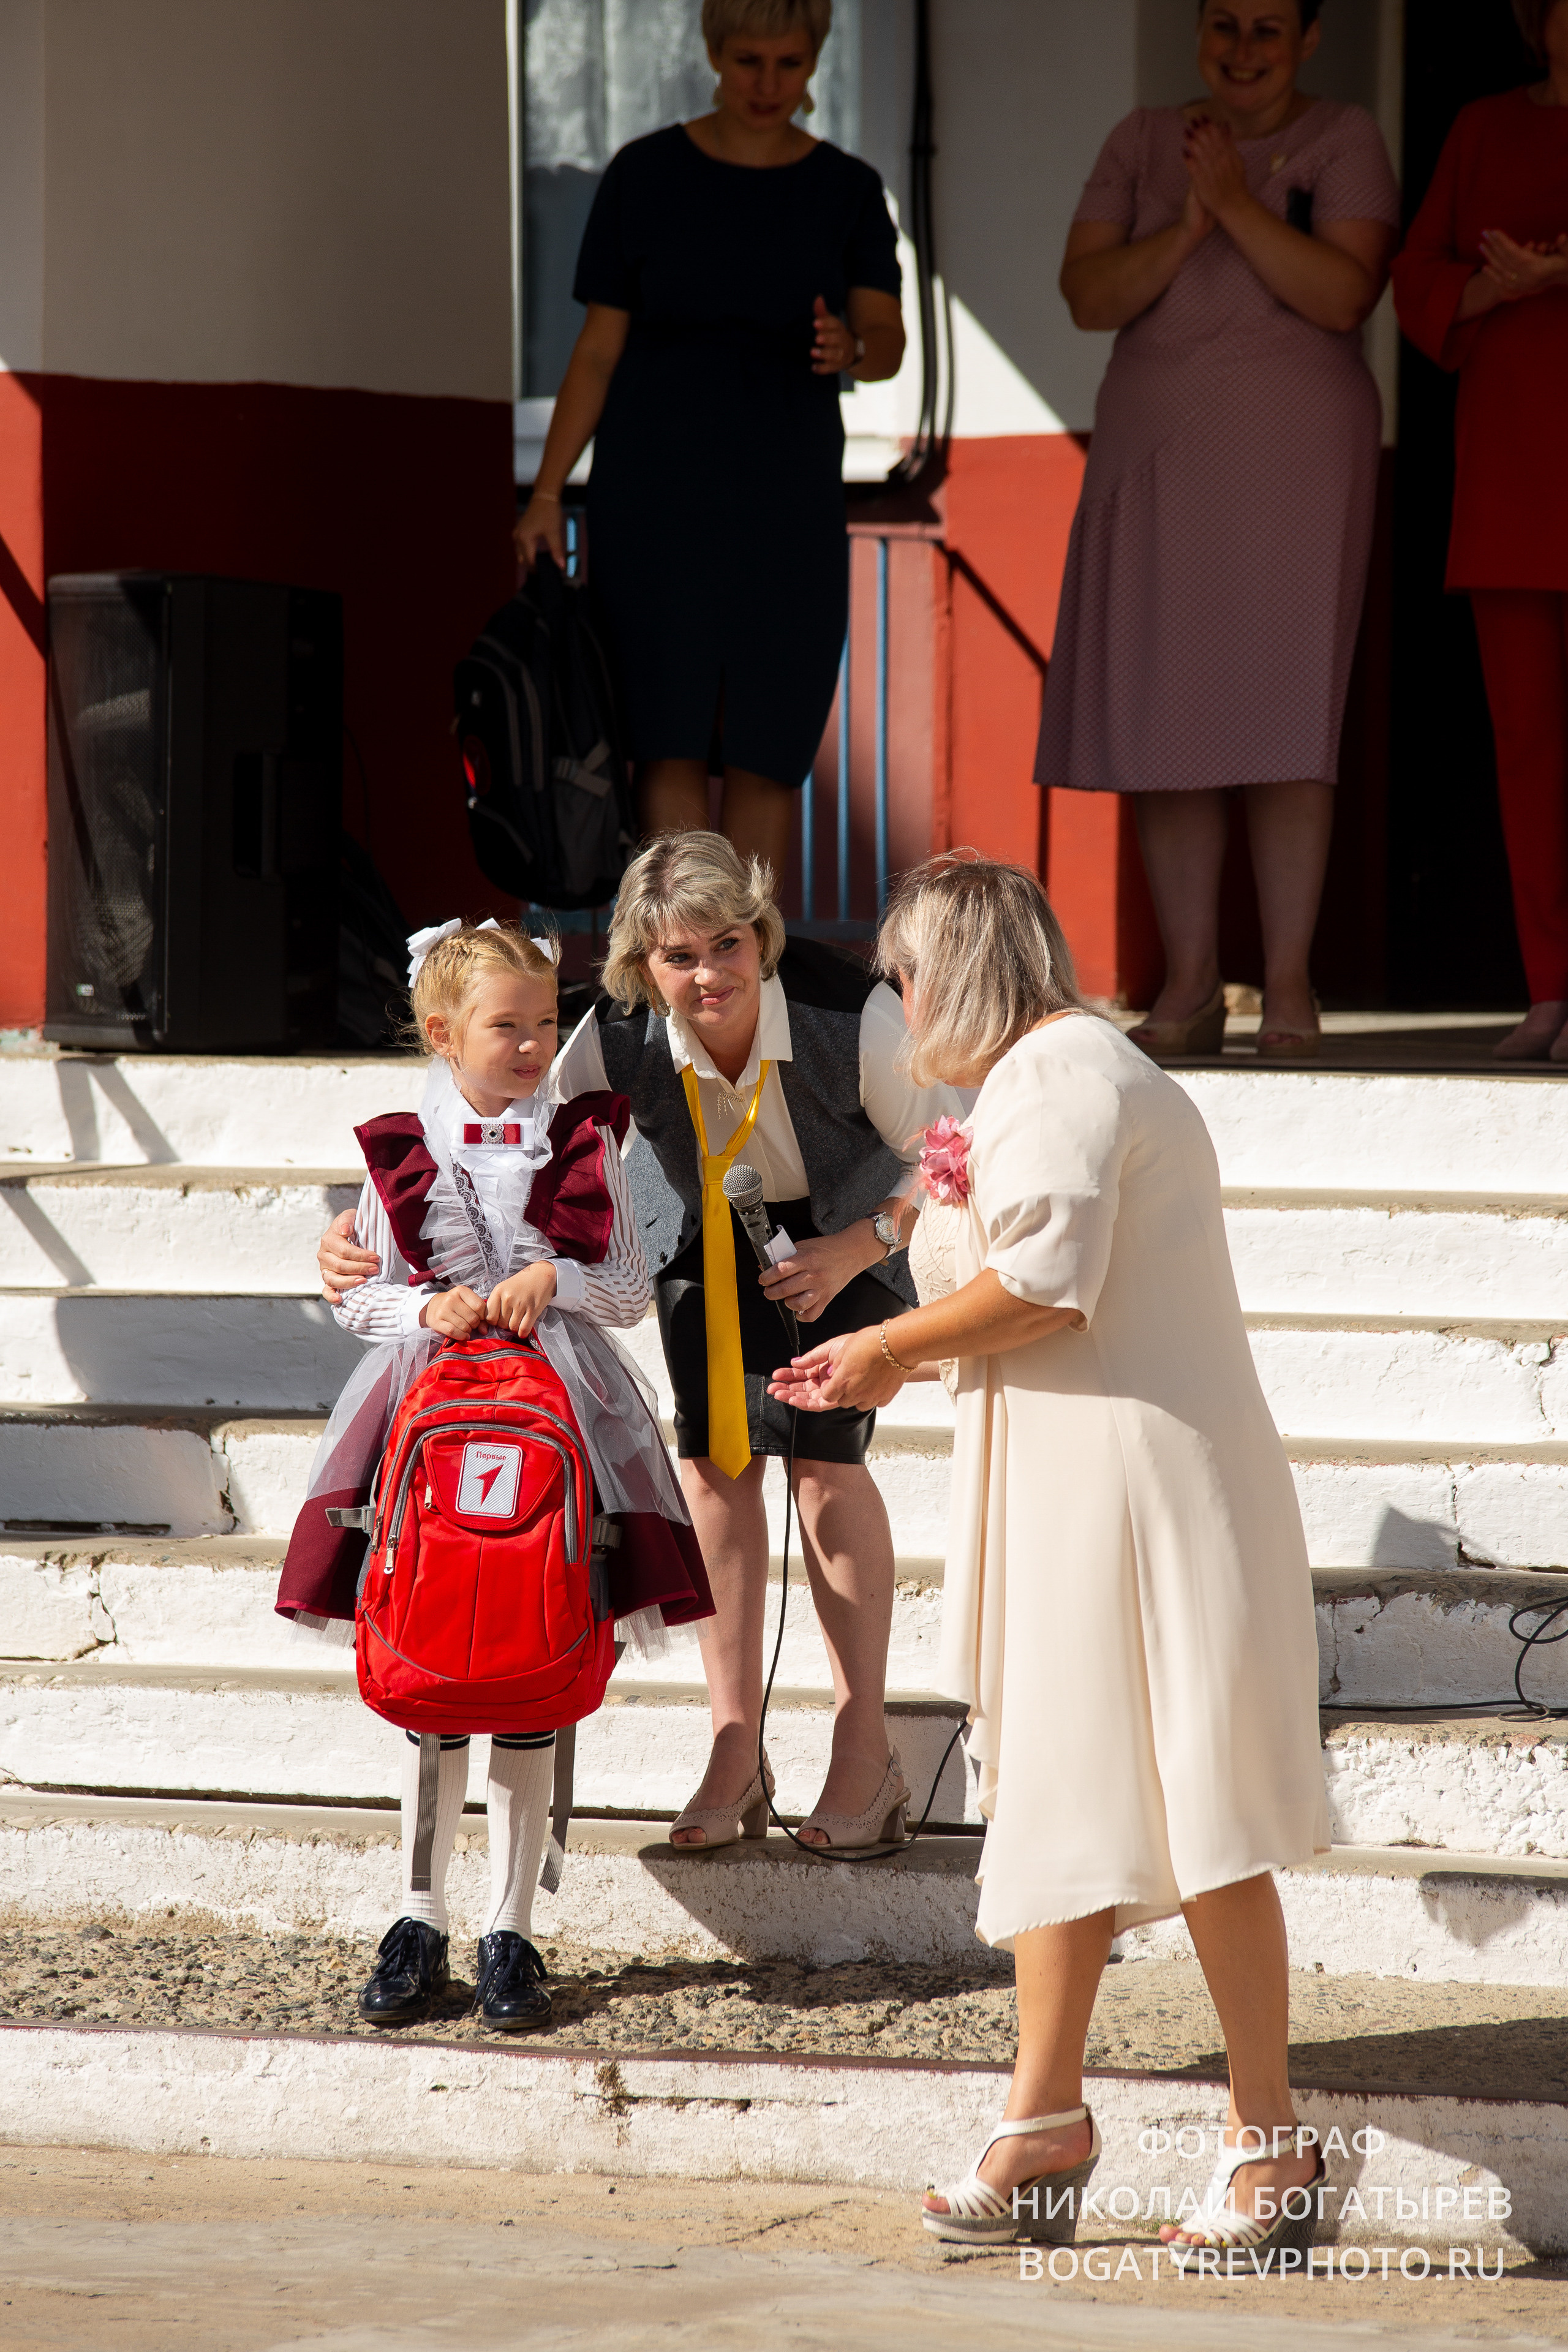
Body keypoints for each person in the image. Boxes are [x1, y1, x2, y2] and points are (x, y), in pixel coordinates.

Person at [771, 856, 1330, 2255]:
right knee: (1056, 1795)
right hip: (1064, 1483)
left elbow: (1041, 1286)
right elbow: (986, 1258)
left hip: (1146, 1487)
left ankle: (1269, 2142)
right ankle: (1041, 2122)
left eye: (904, 977)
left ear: (954, 972)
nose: (895, 1006)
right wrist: (891, 1335)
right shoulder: (1020, 1085)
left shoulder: (1073, 1074)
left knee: (1200, 1803)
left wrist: (882, 1344)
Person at [320, 835, 968, 1852]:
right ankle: (734, 1739)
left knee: (826, 1465)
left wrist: (860, 1245)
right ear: (638, 966)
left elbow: (947, 1152)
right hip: (698, 1234)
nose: (710, 973)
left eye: (730, 943)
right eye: (679, 956)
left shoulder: (856, 1015)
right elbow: (496, 1127)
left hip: (850, 1229)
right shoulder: (608, 1035)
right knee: (713, 1467)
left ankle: (863, 1743)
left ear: (762, 934)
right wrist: (361, 1234)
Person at [281, 921, 711, 2028]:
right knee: (434, 1672)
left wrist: (551, 1281)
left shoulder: (584, 1139)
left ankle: (512, 1925)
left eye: (542, 1024)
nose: (530, 1047)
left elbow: (624, 1290)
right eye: (504, 1026)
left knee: (530, 1665)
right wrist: (424, 1305)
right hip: (427, 1414)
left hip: (559, 1407)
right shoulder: (404, 1143)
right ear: (442, 1033)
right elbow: (357, 1297)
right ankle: (418, 1911)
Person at [1036, 0, 1399, 1059]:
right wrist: (1189, 224)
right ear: (1199, 29)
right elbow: (1086, 292)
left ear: (1310, 38)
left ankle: (1288, 984)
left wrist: (1235, 204)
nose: (1244, 52)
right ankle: (1192, 983)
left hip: (1295, 456)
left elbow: (1343, 292)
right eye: (1226, 26)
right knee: (1171, 719)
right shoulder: (1144, 138)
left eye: (1268, 31)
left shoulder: (1345, 138)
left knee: (1289, 715)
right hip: (1159, 451)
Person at [512, 0, 905, 876]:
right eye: (749, 61)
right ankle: (674, 983)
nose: (769, 83)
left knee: (771, 742)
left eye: (790, 64)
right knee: (668, 738)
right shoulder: (643, 175)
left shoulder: (847, 189)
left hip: (787, 502)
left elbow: (889, 338)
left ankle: (756, 983)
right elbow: (596, 352)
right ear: (713, 55)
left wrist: (855, 346)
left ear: (815, 62)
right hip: (654, 497)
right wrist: (545, 494)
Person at [1392, 0, 1568, 1060]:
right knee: (1531, 749)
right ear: (1538, 19)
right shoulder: (1483, 128)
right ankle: (1550, 989)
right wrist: (1488, 284)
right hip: (1511, 476)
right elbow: (1415, 275)